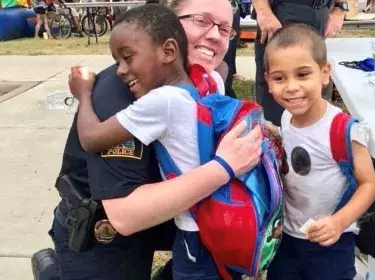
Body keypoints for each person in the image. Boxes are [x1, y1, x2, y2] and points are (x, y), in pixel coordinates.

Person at [69, 4, 254, 280]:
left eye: (225, 29)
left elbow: (223, 69)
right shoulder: (123, 90)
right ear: (173, 29)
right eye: (202, 20)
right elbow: (124, 216)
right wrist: (224, 167)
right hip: (103, 233)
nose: (215, 35)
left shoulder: (204, 79)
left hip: (188, 220)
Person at [263, 24, 375, 279]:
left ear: (325, 73)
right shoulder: (285, 117)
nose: (291, 87)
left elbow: (369, 184)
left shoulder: (343, 130)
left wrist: (339, 222)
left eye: (303, 74)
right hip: (286, 238)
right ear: (268, 81)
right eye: (279, 78)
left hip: (332, 243)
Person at [251, 0, 349, 126]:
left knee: (315, 89)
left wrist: (340, 9)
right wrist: (263, 10)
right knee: (278, 95)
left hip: (322, 15)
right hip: (283, 14)